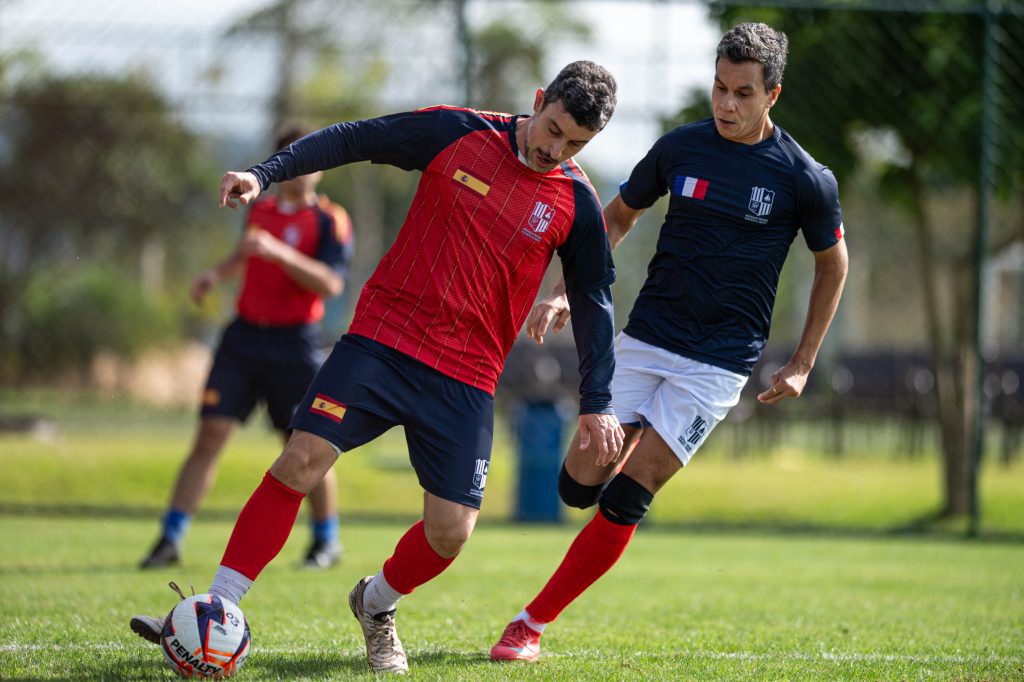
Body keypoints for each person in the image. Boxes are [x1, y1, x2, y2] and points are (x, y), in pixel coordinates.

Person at [130, 60, 624, 675]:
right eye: (553, 129)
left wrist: (597, 400)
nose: (556, 149)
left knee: (450, 532)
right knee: (301, 459)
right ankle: (218, 607)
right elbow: (353, 138)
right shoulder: (455, 132)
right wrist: (264, 173)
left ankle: (375, 602)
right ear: (540, 99)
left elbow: (594, 300)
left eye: (575, 143)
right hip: (383, 342)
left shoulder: (576, 203)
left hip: (467, 375)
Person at [490, 22, 849, 662]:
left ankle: (529, 624)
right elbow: (617, 217)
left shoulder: (805, 178)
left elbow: (833, 265)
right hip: (647, 337)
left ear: (773, 95)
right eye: (719, 87)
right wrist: (569, 290)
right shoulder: (681, 148)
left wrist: (802, 361)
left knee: (632, 489)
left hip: (718, 363)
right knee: (578, 486)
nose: (726, 104)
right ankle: (621, 452)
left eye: (743, 93)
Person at [138, 126, 354, 571]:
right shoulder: (260, 210)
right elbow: (247, 255)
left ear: (320, 168)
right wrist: (216, 274)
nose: (303, 168)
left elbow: (331, 283)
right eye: (294, 157)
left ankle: (325, 541)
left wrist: (279, 253)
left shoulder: (331, 220)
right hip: (243, 339)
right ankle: (170, 537)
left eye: (311, 159)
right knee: (209, 435)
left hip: (295, 343)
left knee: (304, 446)